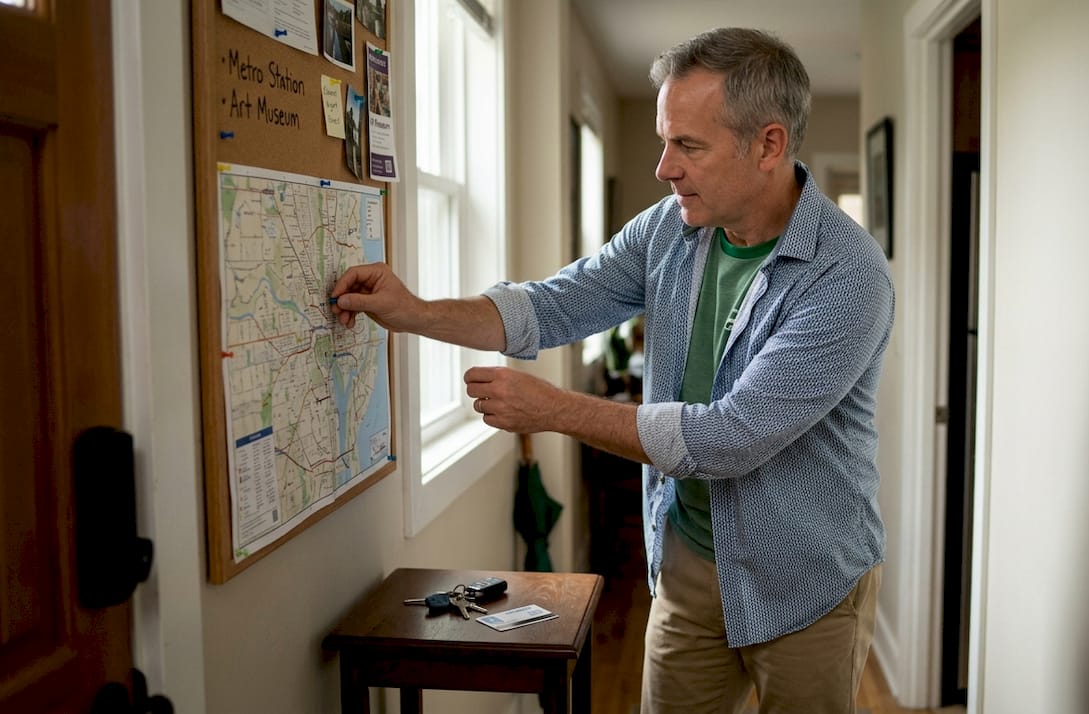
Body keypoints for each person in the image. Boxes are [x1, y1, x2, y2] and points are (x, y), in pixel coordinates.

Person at [331, 27, 894, 714]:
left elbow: (730, 437)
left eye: (688, 145)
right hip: (690, 564)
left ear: (768, 145)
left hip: (808, 583)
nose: (664, 167)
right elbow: (555, 304)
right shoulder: (669, 228)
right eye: (663, 140)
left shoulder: (847, 275)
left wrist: (554, 410)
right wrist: (415, 311)